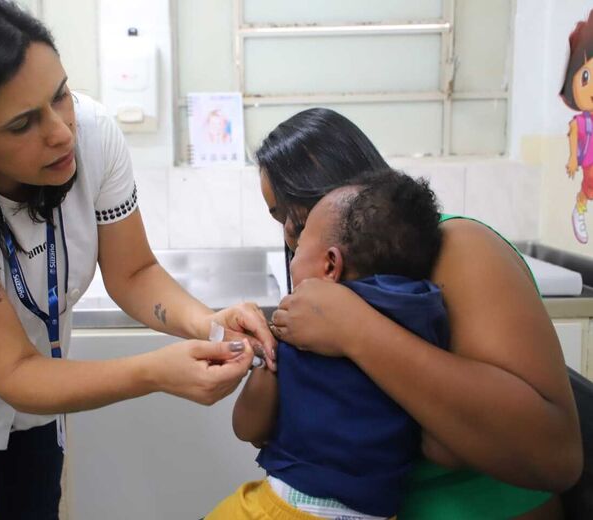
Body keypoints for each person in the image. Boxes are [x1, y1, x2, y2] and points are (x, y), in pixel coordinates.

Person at [0, 1, 272, 518]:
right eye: (22, 123)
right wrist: (155, 373)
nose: (60, 131)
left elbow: (134, 273)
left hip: (40, 376)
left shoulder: (93, 132)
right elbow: (12, 373)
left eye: (60, 96)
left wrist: (207, 324)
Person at [254, 108, 582, 519]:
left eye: (297, 213)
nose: (289, 233)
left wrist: (355, 328)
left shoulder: (460, 246)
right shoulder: (321, 294)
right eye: (278, 217)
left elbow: (555, 456)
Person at [207, 170, 450, 519]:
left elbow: (248, 427)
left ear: (330, 265)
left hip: (290, 507)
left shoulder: (303, 323)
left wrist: (263, 357)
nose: (291, 258)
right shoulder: (427, 316)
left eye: (299, 246)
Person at [561, 9, 593, 243]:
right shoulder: (580, 122)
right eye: (585, 78)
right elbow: (574, 136)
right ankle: (580, 207)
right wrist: (573, 159)